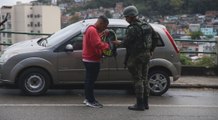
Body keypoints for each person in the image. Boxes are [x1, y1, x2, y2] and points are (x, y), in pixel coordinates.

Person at [122, 5, 158, 111]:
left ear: (132, 16)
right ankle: (146, 103)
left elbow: (125, 43)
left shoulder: (133, 28)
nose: (126, 19)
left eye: (127, 17)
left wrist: (116, 43)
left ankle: (140, 104)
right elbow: (155, 38)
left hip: (136, 57)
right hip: (146, 55)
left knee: (138, 79)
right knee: (144, 79)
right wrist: (151, 50)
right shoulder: (146, 25)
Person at [82, 15, 120, 108]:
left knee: (89, 80)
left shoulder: (91, 29)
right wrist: (110, 44)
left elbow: (96, 39)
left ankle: (88, 98)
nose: (105, 28)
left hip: (89, 58)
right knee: (90, 81)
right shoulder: (93, 30)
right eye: (104, 26)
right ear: (100, 23)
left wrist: (104, 33)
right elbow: (97, 44)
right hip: (92, 59)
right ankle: (90, 101)